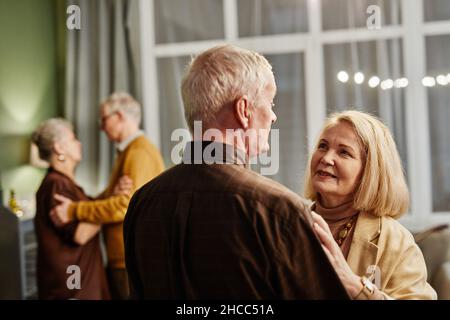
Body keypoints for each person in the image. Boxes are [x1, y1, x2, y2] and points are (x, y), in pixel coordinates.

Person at [123, 44, 349, 299]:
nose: (273, 116)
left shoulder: (142, 202)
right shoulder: (279, 212)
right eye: (270, 102)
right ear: (244, 111)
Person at [304, 110, 437, 300]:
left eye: (344, 152)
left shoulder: (396, 241)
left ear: (370, 171)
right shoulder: (288, 224)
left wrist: (357, 287)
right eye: (323, 146)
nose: (325, 158)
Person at [49, 92, 165, 299]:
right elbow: (120, 200)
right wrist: (112, 194)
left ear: (119, 116)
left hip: (128, 258)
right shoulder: (129, 151)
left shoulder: (138, 152)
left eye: (104, 119)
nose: (101, 127)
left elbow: (124, 206)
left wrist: (74, 210)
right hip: (124, 257)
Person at [32, 118, 120, 299]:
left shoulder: (64, 183)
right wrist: (116, 206)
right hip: (73, 285)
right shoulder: (57, 185)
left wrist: (113, 193)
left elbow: (89, 206)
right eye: (73, 139)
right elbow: (80, 233)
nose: (79, 143)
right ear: (59, 148)